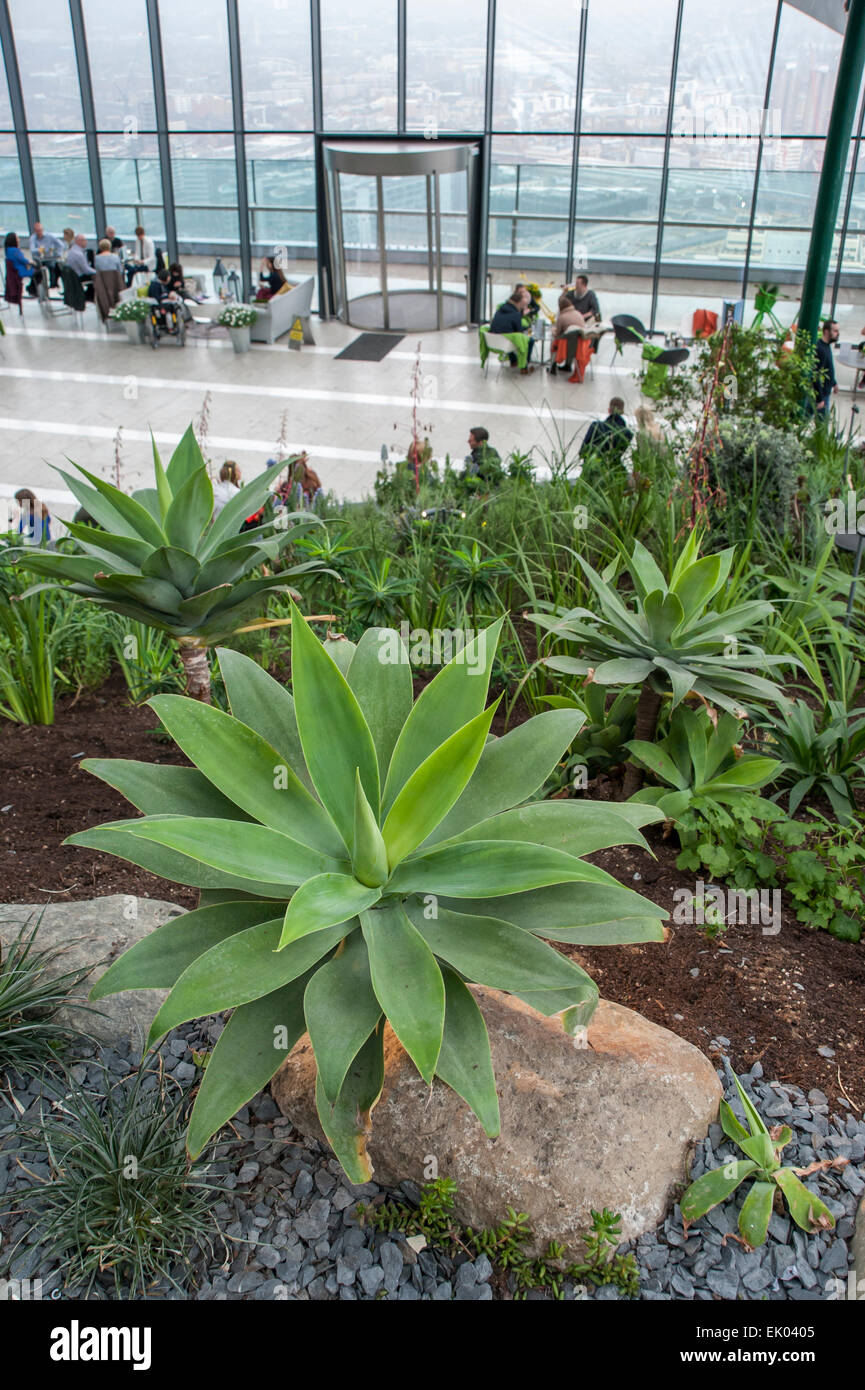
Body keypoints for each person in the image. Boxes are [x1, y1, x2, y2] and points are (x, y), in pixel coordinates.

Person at [579, 398, 633, 482]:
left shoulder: (596, 426)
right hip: (613, 473)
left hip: (592, 470)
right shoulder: (627, 433)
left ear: (609, 410)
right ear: (622, 412)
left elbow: (582, 451)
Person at [490, 286, 535, 374]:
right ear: (518, 303)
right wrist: (527, 329)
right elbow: (519, 332)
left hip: (493, 340)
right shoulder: (515, 314)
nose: (523, 307)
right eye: (522, 305)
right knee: (530, 340)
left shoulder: (500, 309)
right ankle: (525, 365)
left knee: (509, 335)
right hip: (506, 343)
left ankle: (514, 361)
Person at [548, 293, 591, 375]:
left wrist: (553, 330)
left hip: (567, 346)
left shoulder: (562, 317)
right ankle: (568, 365)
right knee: (570, 338)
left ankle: (552, 365)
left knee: (554, 341)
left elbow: (558, 333)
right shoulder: (578, 314)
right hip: (581, 345)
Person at [814, 319, 839, 417]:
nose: (838, 334)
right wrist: (819, 399)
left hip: (824, 394)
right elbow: (816, 374)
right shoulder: (820, 349)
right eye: (835, 331)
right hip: (822, 395)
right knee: (822, 426)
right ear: (826, 331)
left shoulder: (826, 346)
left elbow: (828, 368)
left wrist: (834, 382)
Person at [4, 231, 36, 295]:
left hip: (15, 269)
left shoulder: (8, 250)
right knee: (39, 272)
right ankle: (32, 289)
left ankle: (31, 288)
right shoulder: (15, 250)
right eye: (17, 238)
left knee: (36, 271)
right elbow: (23, 260)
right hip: (19, 270)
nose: (19, 239)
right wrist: (31, 262)